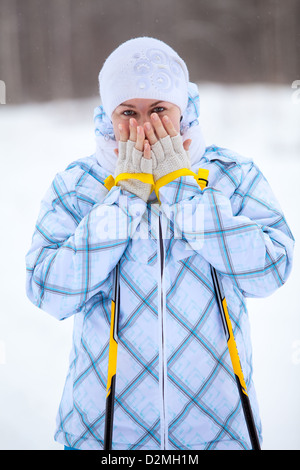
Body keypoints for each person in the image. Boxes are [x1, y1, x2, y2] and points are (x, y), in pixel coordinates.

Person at [25, 36, 294, 451]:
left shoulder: (231, 174)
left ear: (182, 110)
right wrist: (124, 201)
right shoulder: (78, 185)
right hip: (106, 435)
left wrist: (183, 192)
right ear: (107, 114)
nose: (143, 126)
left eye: (159, 110)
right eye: (127, 112)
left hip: (217, 430)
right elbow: (48, 291)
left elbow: (269, 271)